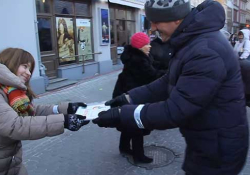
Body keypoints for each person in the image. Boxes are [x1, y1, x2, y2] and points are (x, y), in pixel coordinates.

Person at [93, 0, 249, 174]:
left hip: (219, 148)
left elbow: (176, 110)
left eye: (156, 21)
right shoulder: (192, 40)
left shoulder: (205, 51)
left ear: (176, 19)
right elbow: (167, 81)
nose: (152, 28)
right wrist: (128, 98)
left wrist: (122, 115)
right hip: (207, 140)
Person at [0, 48, 89, 175]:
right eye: (25, 67)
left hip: (11, 164)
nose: (29, 73)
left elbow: (32, 112)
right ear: (10, 63)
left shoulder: (13, 92)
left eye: (30, 69)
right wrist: (64, 121)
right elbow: (14, 125)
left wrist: (64, 109)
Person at [113, 32, 165, 164]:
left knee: (128, 122)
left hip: (127, 94)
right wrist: (170, 72)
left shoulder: (136, 56)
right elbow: (152, 75)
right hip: (133, 96)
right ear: (140, 46)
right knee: (137, 124)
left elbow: (152, 65)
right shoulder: (138, 60)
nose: (150, 46)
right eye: (146, 44)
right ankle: (138, 155)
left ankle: (124, 147)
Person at [234, 30, 250, 107]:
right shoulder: (238, 42)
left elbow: (247, 51)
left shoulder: (247, 42)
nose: (240, 36)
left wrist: (241, 58)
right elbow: (234, 51)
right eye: (239, 34)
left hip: (245, 63)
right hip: (238, 63)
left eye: (241, 34)